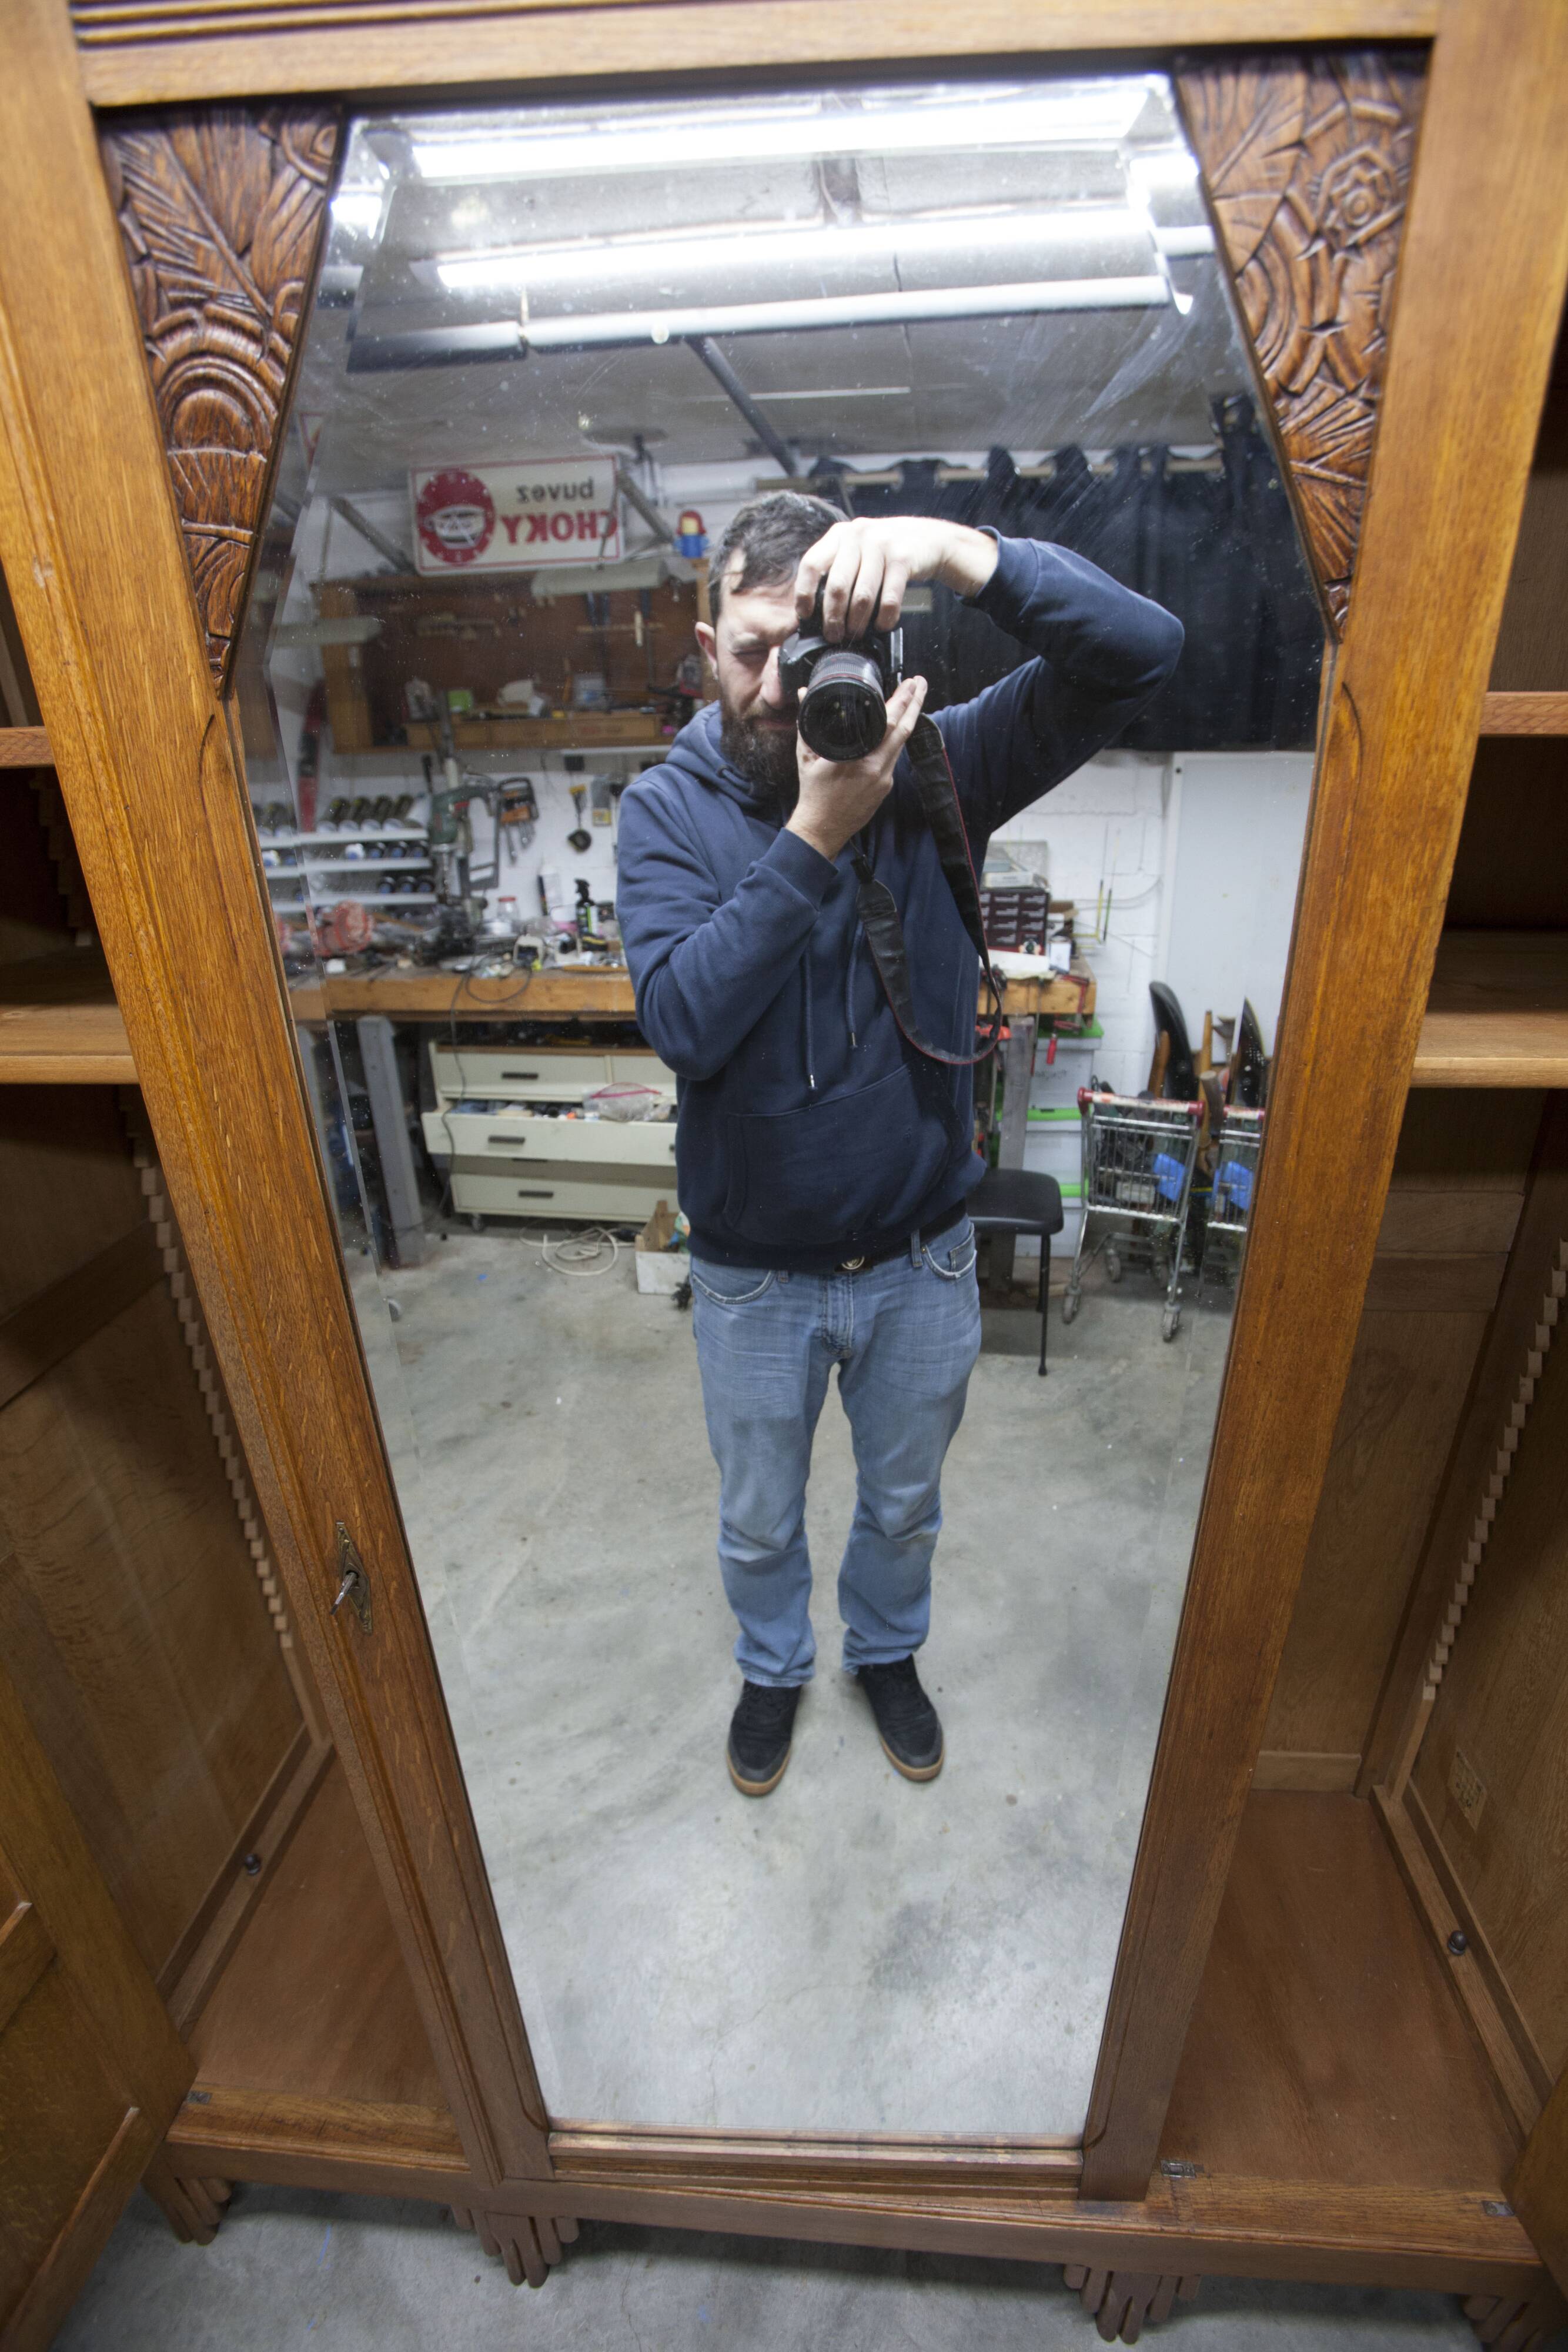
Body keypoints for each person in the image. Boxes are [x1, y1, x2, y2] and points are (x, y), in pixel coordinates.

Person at [618, 494, 1182, 1796]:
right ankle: (773, 1665)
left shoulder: (937, 765)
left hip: (920, 1259)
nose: (778, 686)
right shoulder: (666, 810)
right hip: (752, 1273)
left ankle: (882, 1649)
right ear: (707, 642)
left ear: (865, 638)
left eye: (806, 647)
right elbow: (684, 1024)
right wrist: (816, 833)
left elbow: (1141, 650)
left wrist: (956, 552)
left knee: (903, 1505)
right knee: (758, 1518)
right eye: (752, 648)